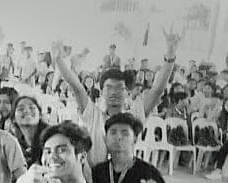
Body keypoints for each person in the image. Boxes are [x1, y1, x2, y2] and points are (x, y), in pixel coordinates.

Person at [52, 28, 182, 170]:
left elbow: (157, 90)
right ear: (101, 91)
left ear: (127, 92)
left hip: (124, 178)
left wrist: (170, 55)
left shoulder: (134, 115)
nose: (114, 92)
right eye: (109, 88)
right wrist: (58, 59)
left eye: (119, 88)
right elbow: (77, 87)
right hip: (94, 180)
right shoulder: (92, 114)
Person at [9, 95, 49, 167]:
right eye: (21, 109)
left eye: (32, 108)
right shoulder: (13, 144)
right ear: (13, 119)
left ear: (40, 115)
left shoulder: (50, 138)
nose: (27, 111)